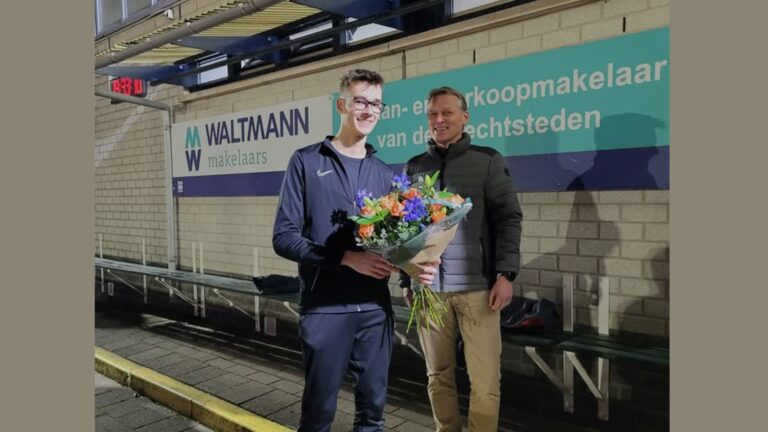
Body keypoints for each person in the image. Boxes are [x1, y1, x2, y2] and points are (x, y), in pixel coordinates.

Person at [272, 68, 436, 432]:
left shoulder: (384, 173)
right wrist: (345, 258)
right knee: (318, 415)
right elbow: (283, 236)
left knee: (373, 416)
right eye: (361, 101)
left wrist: (414, 267)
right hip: (326, 309)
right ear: (342, 104)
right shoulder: (306, 161)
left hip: (375, 310)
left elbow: (394, 244)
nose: (369, 111)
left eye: (376, 104)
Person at [401, 86, 523, 432]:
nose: (439, 120)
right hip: (429, 292)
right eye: (432, 115)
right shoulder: (415, 167)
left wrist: (505, 274)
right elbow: (404, 232)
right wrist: (405, 278)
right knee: (437, 376)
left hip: (477, 290)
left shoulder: (488, 160)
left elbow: (508, 218)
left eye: (447, 113)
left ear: (464, 117)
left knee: (484, 383)